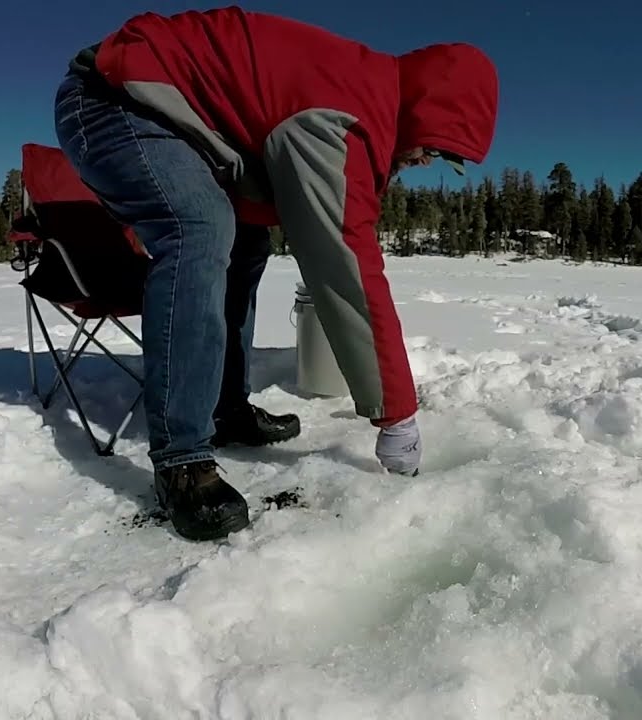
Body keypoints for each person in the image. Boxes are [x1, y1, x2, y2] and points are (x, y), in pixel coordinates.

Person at [52, 7, 499, 541]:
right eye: (439, 150)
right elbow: (346, 267)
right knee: (199, 227)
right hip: (113, 97)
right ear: (431, 112)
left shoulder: (364, 96)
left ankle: (224, 406)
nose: (428, 163)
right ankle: (182, 462)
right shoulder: (344, 117)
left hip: (179, 121)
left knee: (247, 242)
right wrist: (397, 414)